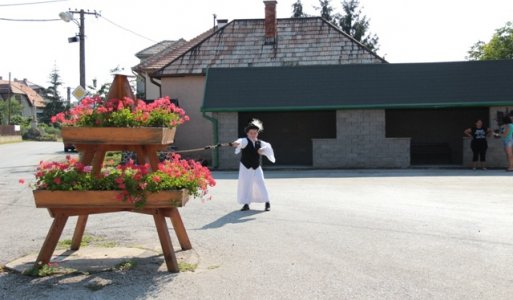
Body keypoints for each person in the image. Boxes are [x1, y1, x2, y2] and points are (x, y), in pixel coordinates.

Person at [229, 119, 275, 211]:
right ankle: (246, 204)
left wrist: (262, 150)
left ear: (257, 133)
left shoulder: (260, 143)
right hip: (245, 166)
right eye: (251, 133)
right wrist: (235, 144)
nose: (253, 135)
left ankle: (267, 202)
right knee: (245, 184)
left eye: (255, 133)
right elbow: (239, 142)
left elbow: (267, 147)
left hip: (256, 166)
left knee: (260, 182)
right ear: (248, 133)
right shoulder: (244, 140)